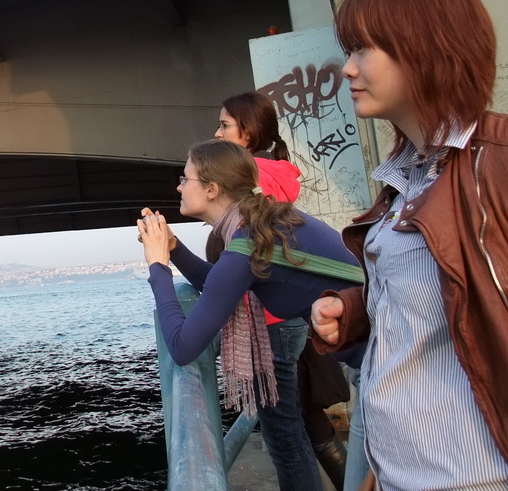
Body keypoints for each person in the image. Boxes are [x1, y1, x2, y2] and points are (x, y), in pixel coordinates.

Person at [309, 0, 508, 490]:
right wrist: (356, 311)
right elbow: (455, 293)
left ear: (424, 45)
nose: (347, 69)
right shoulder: (410, 177)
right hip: (406, 472)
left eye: (362, 49)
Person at [139, 139, 362, 491]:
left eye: (185, 179)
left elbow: (183, 347)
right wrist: (174, 248)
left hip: (386, 369)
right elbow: (217, 283)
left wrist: (157, 265)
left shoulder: (244, 246)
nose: (178, 187)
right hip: (381, 358)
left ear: (212, 190)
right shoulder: (260, 227)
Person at [216, 92, 351, 490]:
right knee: (297, 426)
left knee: (285, 438)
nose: (217, 131)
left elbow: (246, 255)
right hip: (288, 317)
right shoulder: (276, 177)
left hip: (270, 321)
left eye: (224, 125)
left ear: (248, 133)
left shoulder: (250, 183)